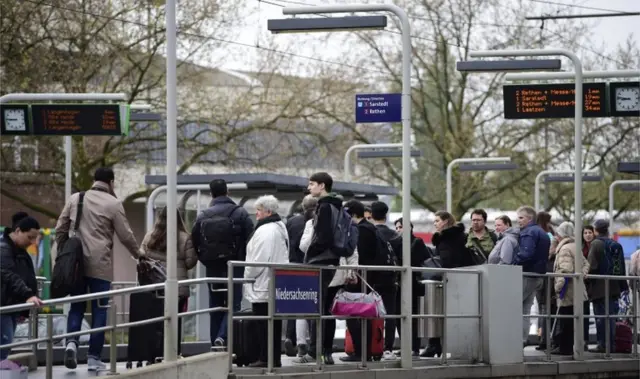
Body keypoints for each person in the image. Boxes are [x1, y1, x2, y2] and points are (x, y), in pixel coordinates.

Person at [55, 167, 140, 371]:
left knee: (76, 307)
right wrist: (139, 255)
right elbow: (126, 235)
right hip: (100, 266)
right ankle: (94, 358)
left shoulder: (76, 198)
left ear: (94, 181)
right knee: (100, 310)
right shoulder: (114, 203)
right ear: (111, 182)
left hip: (75, 264)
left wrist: (65, 253)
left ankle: (71, 344)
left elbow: (60, 228)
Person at [191, 179, 254, 349]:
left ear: (211, 194)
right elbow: (251, 239)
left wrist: (206, 260)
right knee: (233, 304)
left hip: (212, 267)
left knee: (215, 306)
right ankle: (223, 336)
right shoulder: (240, 213)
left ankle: (215, 344)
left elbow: (194, 241)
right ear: (228, 192)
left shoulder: (203, 216)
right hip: (235, 267)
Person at [297, 172, 344, 365]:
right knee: (325, 308)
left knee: (317, 308)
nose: (309, 188)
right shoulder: (337, 205)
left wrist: (311, 253)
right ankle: (324, 351)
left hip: (320, 261)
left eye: (312, 184)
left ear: (322, 186)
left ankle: (316, 352)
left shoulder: (324, 207)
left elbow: (323, 236)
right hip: (331, 260)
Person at [139, 207, 198, 356]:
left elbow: (142, 256)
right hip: (178, 287)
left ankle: (154, 353)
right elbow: (191, 262)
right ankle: (174, 352)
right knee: (175, 322)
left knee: (156, 321)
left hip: (154, 285)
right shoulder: (185, 237)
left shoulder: (149, 237)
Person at [243, 195, 289, 368]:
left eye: (259, 210)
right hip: (275, 281)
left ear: (268, 211)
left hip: (262, 283)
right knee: (273, 323)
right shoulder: (279, 227)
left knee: (263, 323)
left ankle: (265, 358)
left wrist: (248, 275)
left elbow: (258, 260)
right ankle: (273, 357)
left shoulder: (265, 230)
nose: (256, 214)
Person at [339, 200, 385, 362]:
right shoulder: (370, 228)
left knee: (354, 314)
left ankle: (361, 352)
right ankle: (364, 351)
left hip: (360, 279)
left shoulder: (361, 231)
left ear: (352, 215)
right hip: (368, 279)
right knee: (364, 316)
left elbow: (359, 255)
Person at [421, 211, 468, 357]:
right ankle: (436, 344)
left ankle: (434, 345)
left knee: (436, 310)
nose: (435, 224)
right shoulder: (459, 236)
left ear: (446, 221)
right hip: (461, 278)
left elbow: (447, 260)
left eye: (437, 221)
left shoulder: (446, 238)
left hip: (447, 279)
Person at [0, 214, 44, 361]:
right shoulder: (4, 249)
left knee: (5, 344)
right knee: (4, 345)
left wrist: (24, 308)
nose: (32, 242)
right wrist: (27, 295)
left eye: (34, 238)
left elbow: (26, 277)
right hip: (4, 306)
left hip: (11, 305)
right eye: (30, 237)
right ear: (18, 231)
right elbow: (9, 276)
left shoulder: (17, 249)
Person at [283, 195, 318, 356]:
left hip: (292, 264)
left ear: (302, 206)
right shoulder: (315, 221)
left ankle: (290, 337)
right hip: (308, 265)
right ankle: (306, 342)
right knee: (310, 304)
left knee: (294, 303)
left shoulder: (291, 222)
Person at [587, 219, 628, 353]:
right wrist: (623, 286)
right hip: (614, 286)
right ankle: (612, 344)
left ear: (596, 230)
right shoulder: (616, 245)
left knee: (600, 317)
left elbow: (591, 266)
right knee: (611, 316)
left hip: (599, 287)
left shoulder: (596, 244)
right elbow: (621, 267)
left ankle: (603, 344)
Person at [512, 206, 550, 348]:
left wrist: (513, 262)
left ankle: (513, 341)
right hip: (538, 276)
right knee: (526, 310)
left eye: (521, 218)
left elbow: (526, 254)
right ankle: (521, 340)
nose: (518, 221)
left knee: (514, 307)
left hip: (526, 275)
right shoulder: (543, 233)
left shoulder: (529, 232)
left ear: (530, 218)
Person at [391, 218, 430, 357]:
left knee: (412, 316)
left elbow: (424, 260)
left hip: (413, 283)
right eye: (396, 228)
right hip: (399, 284)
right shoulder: (395, 243)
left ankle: (414, 347)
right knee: (399, 316)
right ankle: (404, 345)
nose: (398, 230)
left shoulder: (417, 242)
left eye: (400, 227)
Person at [551, 222, 590, 355]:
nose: (556, 236)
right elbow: (586, 264)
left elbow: (564, 270)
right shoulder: (575, 246)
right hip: (578, 290)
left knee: (565, 321)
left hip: (568, 292)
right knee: (575, 321)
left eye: (557, 234)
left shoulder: (564, 249)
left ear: (561, 235)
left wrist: (557, 288)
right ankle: (575, 347)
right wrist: (582, 275)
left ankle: (565, 348)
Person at [368, 201, 400, 360]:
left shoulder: (370, 233)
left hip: (372, 279)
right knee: (391, 313)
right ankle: (388, 347)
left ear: (371, 215)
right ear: (386, 216)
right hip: (391, 279)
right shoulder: (395, 235)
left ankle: (373, 346)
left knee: (371, 313)